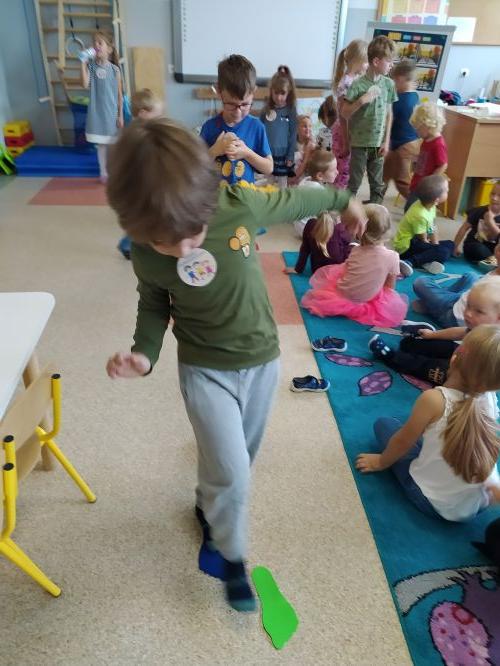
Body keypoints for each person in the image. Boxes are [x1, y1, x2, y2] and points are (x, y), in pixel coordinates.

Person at [105, 118, 366, 612]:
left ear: (207, 201)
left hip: (262, 358)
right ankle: (232, 557)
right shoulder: (145, 250)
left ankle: (208, 505)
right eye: (163, 242)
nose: (183, 250)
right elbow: (154, 303)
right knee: (233, 470)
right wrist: (144, 354)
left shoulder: (238, 202)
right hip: (203, 368)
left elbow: (295, 200)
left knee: (237, 461)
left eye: (191, 234)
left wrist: (342, 198)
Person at [358, 325, 500, 523]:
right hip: (476, 505)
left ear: (454, 357)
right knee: (432, 433)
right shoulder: (490, 400)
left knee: (385, 425)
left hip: (433, 503)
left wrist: (381, 462)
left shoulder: (433, 399)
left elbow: (403, 441)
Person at [369, 277, 500, 386]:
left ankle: (391, 357)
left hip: (462, 376)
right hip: (459, 352)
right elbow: (459, 332)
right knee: (410, 344)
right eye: (468, 306)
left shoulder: (494, 344)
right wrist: (432, 335)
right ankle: (413, 344)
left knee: (425, 366)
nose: (468, 314)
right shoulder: (479, 327)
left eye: (478, 311)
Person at [301, 204, 408, 326]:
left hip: (340, 295)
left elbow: (346, 272)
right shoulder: (393, 256)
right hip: (365, 302)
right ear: (387, 230)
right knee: (384, 286)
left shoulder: (355, 250)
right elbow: (389, 288)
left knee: (342, 269)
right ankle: (394, 270)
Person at [200, 54, 273, 185]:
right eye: (231, 104)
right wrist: (215, 150)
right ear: (219, 92)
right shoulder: (209, 127)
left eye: (245, 104)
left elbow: (269, 167)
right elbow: (197, 167)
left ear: (253, 92)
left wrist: (247, 153)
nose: (238, 112)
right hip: (218, 196)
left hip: (245, 196)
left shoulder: (256, 127)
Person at [342, 35, 397, 204]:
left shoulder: (388, 84)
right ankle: (347, 212)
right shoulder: (357, 85)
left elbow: (389, 114)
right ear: (376, 61)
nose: (391, 65)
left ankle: (374, 213)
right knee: (354, 183)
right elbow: (344, 113)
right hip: (360, 143)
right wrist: (360, 101)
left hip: (378, 144)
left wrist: (386, 142)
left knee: (377, 185)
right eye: (389, 61)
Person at [117, 88, 165, 260]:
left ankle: (135, 242)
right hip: (138, 187)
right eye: (157, 115)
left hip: (143, 185)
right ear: (143, 113)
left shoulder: (139, 131)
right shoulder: (137, 135)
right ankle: (127, 244)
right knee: (142, 218)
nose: (159, 119)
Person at [411, 241, 500, 328]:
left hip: (454, 314)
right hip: (462, 298)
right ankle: (435, 300)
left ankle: (432, 307)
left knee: (420, 282)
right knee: (471, 275)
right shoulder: (496, 271)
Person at [81, 31, 123, 184]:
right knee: (102, 145)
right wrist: (83, 63)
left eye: (100, 43)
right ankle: (103, 172)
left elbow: (119, 94)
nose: (96, 45)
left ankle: (115, 171)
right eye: (94, 42)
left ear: (109, 49)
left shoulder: (115, 69)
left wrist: (120, 115)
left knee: (113, 145)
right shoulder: (91, 67)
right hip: (97, 113)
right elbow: (85, 84)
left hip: (111, 113)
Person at [395, 174, 453, 275]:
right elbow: (423, 238)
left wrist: (435, 245)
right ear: (437, 200)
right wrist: (434, 249)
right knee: (443, 252)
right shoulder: (420, 214)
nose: (448, 191)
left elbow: (431, 227)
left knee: (450, 244)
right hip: (406, 246)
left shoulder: (430, 206)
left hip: (418, 241)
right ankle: (410, 261)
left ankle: (425, 261)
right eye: (446, 191)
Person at [331, 39, 368, 189]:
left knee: (347, 169)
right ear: (357, 60)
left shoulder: (355, 80)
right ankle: (338, 197)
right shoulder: (347, 82)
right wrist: (346, 142)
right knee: (343, 170)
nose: (368, 65)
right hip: (344, 132)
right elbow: (343, 115)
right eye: (366, 62)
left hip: (350, 131)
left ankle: (339, 195)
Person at [383, 60, 420, 199]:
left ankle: (416, 204)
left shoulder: (401, 100)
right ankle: (377, 198)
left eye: (395, 81)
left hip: (404, 146)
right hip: (406, 143)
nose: (394, 84)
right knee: (384, 174)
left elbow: (389, 120)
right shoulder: (414, 95)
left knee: (402, 181)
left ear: (402, 79)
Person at [404, 102, 447, 211]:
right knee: (409, 208)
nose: (416, 132)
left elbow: (443, 164)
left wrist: (430, 184)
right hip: (416, 183)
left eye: (418, 129)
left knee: (412, 210)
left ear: (428, 126)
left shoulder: (438, 143)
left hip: (424, 188)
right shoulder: (427, 139)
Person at [259, 65, 297, 187]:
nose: (279, 97)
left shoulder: (290, 110)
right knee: (268, 183)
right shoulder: (266, 109)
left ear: (288, 92)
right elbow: (259, 130)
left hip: (283, 155)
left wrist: (290, 155)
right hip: (268, 153)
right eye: (276, 93)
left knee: (282, 185)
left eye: (283, 93)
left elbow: (293, 134)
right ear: (271, 91)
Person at [285, 210, 355, 276]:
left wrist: (298, 269)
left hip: (316, 269)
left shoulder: (310, 224)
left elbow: (305, 248)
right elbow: (348, 241)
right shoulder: (339, 229)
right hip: (335, 272)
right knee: (354, 245)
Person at [291, 148, 338, 237]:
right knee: (337, 226)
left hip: (299, 226)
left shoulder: (305, 180)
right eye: (333, 170)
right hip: (310, 230)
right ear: (320, 175)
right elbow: (325, 215)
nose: (337, 172)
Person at [453, 181, 500, 268]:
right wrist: (455, 246)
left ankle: (492, 261)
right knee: (477, 249)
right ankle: (491, 261)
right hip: (476, 245)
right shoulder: (479, 211)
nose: (494, 198)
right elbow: (464, 228)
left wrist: (490, 222)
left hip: (495, 250)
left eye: (499, 196)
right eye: (492, 193)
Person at [288, 114, 315, 185]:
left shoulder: (312, 145)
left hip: (307, 180)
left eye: (310, 126)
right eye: (304, 126)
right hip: (294, 178)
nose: (308, 129)